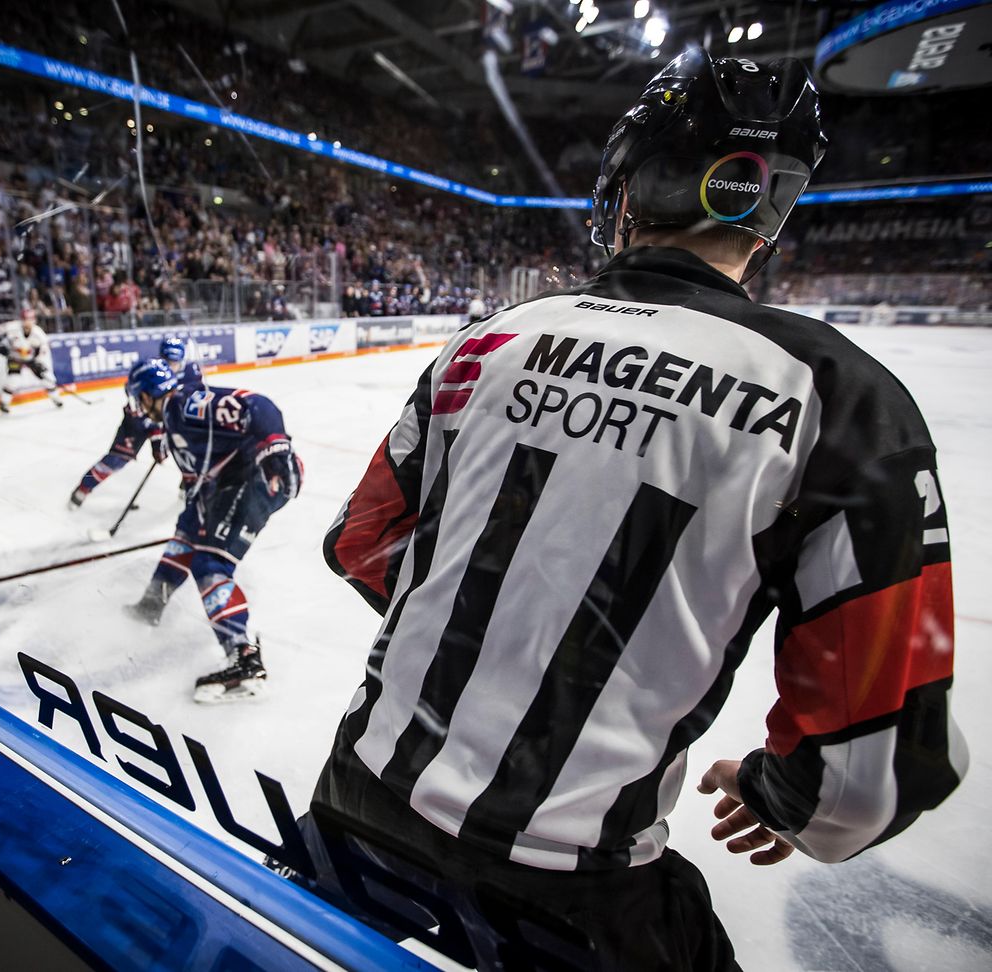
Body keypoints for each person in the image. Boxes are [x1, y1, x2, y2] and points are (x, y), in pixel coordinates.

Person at [290, 50, 966, 971]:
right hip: (575, 896)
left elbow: (362, 542)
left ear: (622, 194)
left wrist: (491, 635)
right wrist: (781, 795)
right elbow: (870, 774)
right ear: (766, 223)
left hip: (352, 816)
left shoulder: (487, 342)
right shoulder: (841, 400)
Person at [126, 359, 303, 703]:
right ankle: (152, 603)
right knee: (186, 535)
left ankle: (244, 659)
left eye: (139, 398)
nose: (138, 407)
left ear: (148, 394)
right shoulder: (174, 424)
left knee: (210, 565)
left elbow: (256, 404)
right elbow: (200, 479)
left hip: (257, 478)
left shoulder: (183, 405)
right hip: (230, 483)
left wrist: (275, 448)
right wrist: (190, 522)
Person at [67, 378, 166, 509]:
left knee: (118, 462)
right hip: (131, 430)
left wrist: (158, 445)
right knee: (113, 461)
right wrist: (157, 442)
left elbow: (158, 424)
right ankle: (84, 487)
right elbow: (148, 421)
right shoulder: (139, 397)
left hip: (143, 426)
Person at [0, 306, 63, 412]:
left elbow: (44, 350)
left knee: (47, 377)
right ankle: (4, 402)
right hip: (15, 358)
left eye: (30, 319)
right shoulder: (12, 326)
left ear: (34, 320)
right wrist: (0, 345)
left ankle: (56, 398)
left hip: (31, 359)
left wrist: (38, 361)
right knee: (13, 380)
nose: (27, 322)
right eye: (25, 319)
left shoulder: (39, 334)